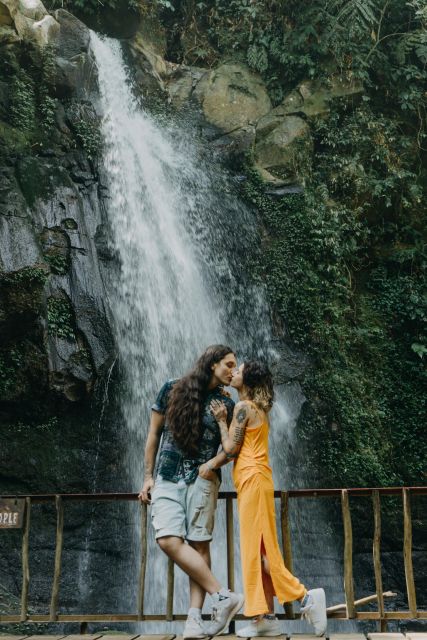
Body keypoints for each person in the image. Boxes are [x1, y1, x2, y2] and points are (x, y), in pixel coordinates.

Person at [210, 361, 327, 637]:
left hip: (252, 480)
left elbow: (230, 449)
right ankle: (266, 618)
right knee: (259, 551)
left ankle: (306, 597)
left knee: (259, 551)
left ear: (247, 381)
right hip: (257, 479)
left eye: (238, 371)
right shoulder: (259, 409)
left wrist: (220, 421)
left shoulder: (242, 409)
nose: (233, 373)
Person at [138, 345, 244, 639]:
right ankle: (222, 595)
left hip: (203, 479)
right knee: (168, 540)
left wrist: (212, 464)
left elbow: (230, 449)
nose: (233, 371)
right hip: (168, 476)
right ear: (212, 364)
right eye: (228, 365)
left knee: (199, 545)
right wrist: (147, 477)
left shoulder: (227, 404)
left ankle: (194, 620)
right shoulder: (170, 389)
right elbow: (153, 434)